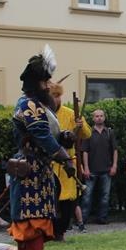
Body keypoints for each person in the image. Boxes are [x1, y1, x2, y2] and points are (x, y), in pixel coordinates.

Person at [9, 45, 74, 250]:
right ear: (36, 83)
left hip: (35, 165)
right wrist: (64, 157)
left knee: (27, 216)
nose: (48, 86)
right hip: (32, 168)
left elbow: (48, 133)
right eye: (45, 82)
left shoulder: (36, 105)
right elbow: (41, 135)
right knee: (34, 215)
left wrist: (64, 137)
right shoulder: (29, 104)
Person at [48, 81, 91, 240]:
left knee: (68, 202)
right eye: (53, 96)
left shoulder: (71, 113)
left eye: (58, 96)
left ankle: (61, 232)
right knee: (50, 201)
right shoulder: (42, 115)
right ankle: (49, 232)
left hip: (67, 165)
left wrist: (81, 125)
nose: (56, 99)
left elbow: (87, 134)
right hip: (49, 164)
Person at [80, 109, 118, 227]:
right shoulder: (88, 133)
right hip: (91, 171)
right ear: (93, 118)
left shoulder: (109, 132)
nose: (99, 118)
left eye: (101, 116)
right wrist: (86, 168)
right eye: (97, 116)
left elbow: (115, 150)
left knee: (105, 197)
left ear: (104, 117)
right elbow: (85, 152)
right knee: (87, 196)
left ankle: (102, 219)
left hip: (106, 170)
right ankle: (82, 219)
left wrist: (114, 165)